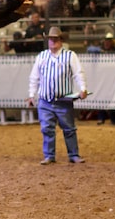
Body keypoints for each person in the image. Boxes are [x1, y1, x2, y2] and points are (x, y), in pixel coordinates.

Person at [26, 27, 88, 164]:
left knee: (69, 129)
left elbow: (78, 73)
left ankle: (73, 155)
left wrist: (83, 88)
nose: (52, 41)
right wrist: (31, 94)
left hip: (63, 100)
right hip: (45, 100)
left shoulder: (70, 55)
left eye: (55, 39)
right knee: (47, 128)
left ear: (61, 40)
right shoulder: (41, 56)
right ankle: (50, 155)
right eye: (50, 39)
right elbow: (34, 77)